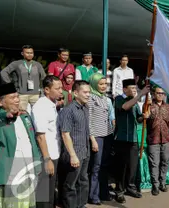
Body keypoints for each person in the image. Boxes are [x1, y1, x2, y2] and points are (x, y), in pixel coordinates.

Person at [0, 83, 42, 208]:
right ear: (0, 102)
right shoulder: (1, 118)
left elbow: (33, 141)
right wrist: (5, 115)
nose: (17, 100)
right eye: (12, 98)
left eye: (18, 96)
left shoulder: (24, 115)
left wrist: (37, 163)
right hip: (9, 172)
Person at [114, 79, 150, 203]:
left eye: (136, 89)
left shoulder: (135, 102)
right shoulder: (118, 99)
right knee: (121, 167)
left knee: (132, 165)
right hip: (122, 139)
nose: (135, 90)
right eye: (132, 88)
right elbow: (125, 107)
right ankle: (119, 191)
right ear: (124, 89)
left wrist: (145, 115)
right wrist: (140, 95)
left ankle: (130, 187)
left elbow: (138, 118)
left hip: (133, 138)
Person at [58, 81, 92, 208]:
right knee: (70, 185)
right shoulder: (68, 110)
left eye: (89, 92)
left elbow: (86, 130)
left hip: (85, 151)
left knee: (83, 181)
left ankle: (81, 204)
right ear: (76, 93)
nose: (88, 95)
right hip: (74, 153)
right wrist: (72, 155)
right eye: (85, 92)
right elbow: (65, 134)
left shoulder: (85, 108)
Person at [31, 75, 63, 208]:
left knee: (51, 195)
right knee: (44, 197)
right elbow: (40, 135)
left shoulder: (52, 104)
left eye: (61, 87)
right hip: (47, 156)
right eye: (57, 88)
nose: (61, 91)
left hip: (55, 154)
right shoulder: (41, 106)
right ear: (46, 90)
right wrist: (47, 159)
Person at [87, 73, 115, 205]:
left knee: (104, 166)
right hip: (96, 136)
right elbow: (89, 121)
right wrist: (92, 140)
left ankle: (103, 193)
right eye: (101, 84)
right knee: (96, 167)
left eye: (105, 84)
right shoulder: (90, 99)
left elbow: (110, 117)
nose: (104, 86)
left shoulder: (105, 98)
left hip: (107, 135)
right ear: (94, 84)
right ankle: (93, 195)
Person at [146, 87, 169, 196]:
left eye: (163, 93)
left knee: (165, 161)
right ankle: (155, 185)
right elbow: (142, 119)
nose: (160, 95)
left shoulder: (168, 107)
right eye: (158, 93)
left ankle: (163, 183)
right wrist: (146, 113)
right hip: (153, 139)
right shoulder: (148, 105)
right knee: (154, 163)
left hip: (166, 138)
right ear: (154, 94)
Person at [0, 44, 46, 111]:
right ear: (22, 53)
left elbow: (44, 77)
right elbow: (3, 72)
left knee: (38, 113)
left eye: (31, 53)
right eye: (27, 53)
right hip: (21, 94)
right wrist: (10, 86)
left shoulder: (37, 64)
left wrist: (43, 90)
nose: (30, 54)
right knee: (21, 114)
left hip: (35, 94)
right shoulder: (17, 63)